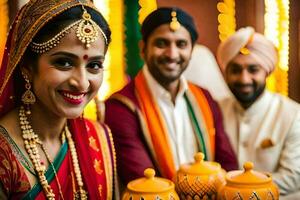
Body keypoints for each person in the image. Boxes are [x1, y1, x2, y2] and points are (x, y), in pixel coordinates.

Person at [104, 7, 238, 187]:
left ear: (191, 49)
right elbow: (143, 181)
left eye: (181, 44)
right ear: (143, 48)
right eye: (161, 43)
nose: (172, 54)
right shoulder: (121, 107)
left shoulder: (204, 98)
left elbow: (228, 165)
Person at [0, 0, 119, 199]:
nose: (82, 83)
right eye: (64, 63)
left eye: (94, 65)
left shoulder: (99, 136)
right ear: (27, 67)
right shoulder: (4, 155)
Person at [217, 26, 300, 198]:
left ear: (266, 71)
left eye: (253, 70)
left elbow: (293, 177)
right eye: (235, 70)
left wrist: (238, 190)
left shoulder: (293, 114)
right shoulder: (215, 109)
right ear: (226, 72)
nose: (244, 79)